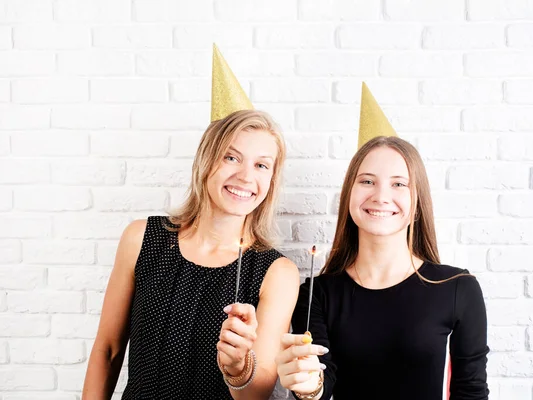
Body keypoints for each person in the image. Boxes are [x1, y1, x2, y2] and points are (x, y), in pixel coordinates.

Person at [83, 45, 299, 400]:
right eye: (232, 157)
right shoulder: (142, 239)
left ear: (271, 180)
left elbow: (257, 393)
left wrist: (239, 365)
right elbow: (107, 349)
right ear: (206, 161)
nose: (246, 176)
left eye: (262, 165)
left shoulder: (278, 272)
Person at [275, 83, 489, 400]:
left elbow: (470, 391)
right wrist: (308, 386)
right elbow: (321, 383)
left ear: (417, 204)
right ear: (349, 194)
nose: (381, 196)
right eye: (367, 181)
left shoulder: (458, 287)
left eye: (398, 184)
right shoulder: (316, 294)